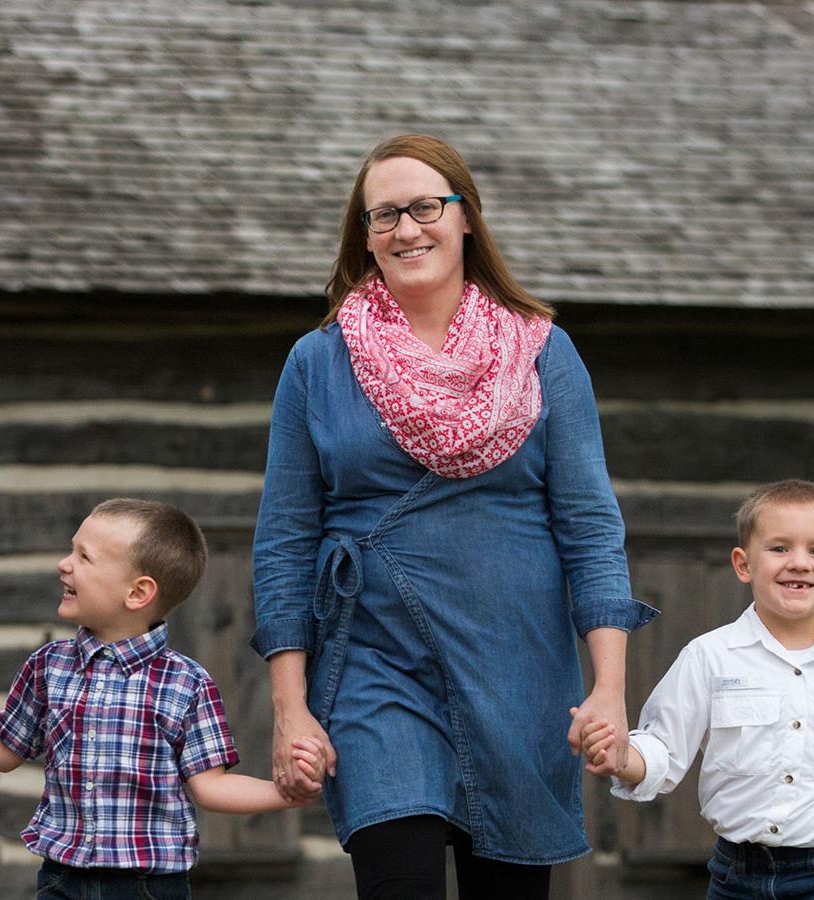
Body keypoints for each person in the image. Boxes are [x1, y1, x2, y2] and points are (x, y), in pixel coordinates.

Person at [250, 133, 657, 899]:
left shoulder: (545, 352)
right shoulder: (318, 361)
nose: (407, 229)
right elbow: (284, 542)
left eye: (426, 206)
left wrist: (608, 686)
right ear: (364, 238)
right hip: (377, 662)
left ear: (466, 217)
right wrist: (290, 707)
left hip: (518, 667)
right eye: (384, 215)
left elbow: (589, 527)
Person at [0, 499, 321, 900]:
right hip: (61, 880)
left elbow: (212, 788)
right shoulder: (49, 666)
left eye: (84, 557)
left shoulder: (186, 684)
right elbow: (3, 749)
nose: (63, 564)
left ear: (138, 593)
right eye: (71, 550)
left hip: (148, 886)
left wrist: (284, 793)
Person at [579, 480, 814, 900]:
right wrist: (622, 757)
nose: (798, 562)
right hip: (738, 875)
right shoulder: (709, 658)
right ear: (743, 565)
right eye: (779, 548)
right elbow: (664, 751)